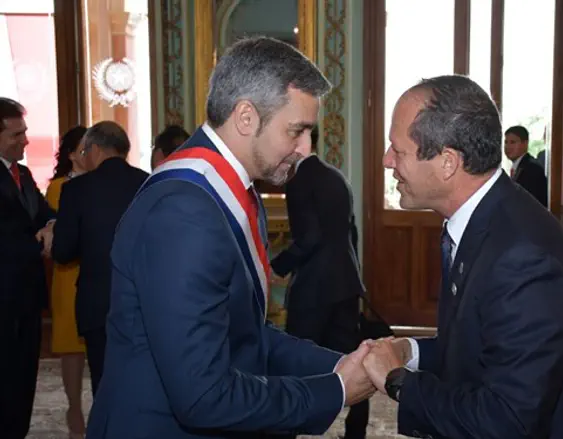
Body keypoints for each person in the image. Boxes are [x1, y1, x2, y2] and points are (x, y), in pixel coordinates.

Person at [85, 37, 374, 439]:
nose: (305, 147)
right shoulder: (185, 211)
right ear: (245, 117)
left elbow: (247, 335)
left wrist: (339, 364)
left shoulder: (230, 190)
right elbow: (203, 396)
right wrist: (335, 390)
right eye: (297, 130)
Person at [360, 75, 563, 439]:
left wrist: (398, 382)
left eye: (397, 150)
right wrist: (408, 350)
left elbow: (507, 420)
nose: (387, 161)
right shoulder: (481, 221)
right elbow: (478, 351)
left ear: (447, 161)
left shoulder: (524, 257)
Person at [270, 125, 368, 439]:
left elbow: (309, 238)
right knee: (351, 361)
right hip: (345, 283)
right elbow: (349, 234)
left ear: (298, 142)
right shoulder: (336, 176)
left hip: (314, 288)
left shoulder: (299, 180)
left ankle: (288, 432)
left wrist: (276, 266)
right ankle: (355, 433)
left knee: (294, 363)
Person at [51, 121, 150, 395]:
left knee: (105, 387)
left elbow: (63, 252)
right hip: (145, 302)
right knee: (142, 385)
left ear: (94, 149)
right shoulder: (148, 183)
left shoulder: (76, 190)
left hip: (97, 305)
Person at [0, 97, 56, 439]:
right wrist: (39, 240)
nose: (24, 140)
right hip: (2, 297)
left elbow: (45, 212)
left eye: (24, 132)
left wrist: (51, 226)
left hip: (27, 296)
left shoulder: (22, 174)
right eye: (15, 134)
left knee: (23, 378)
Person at [45, 125, 88, 438]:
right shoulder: (58, 187)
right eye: (84, 147)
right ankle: (74, 407)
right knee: (72, 346)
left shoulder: (103, 183)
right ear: (72, 154)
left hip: (97, 271)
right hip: (68, 273)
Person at [504, 125, 548, 207]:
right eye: (506, 142)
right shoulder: (516, 168)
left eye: (513, 142)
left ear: (525, 143)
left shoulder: (533, 169)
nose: (508, 147)